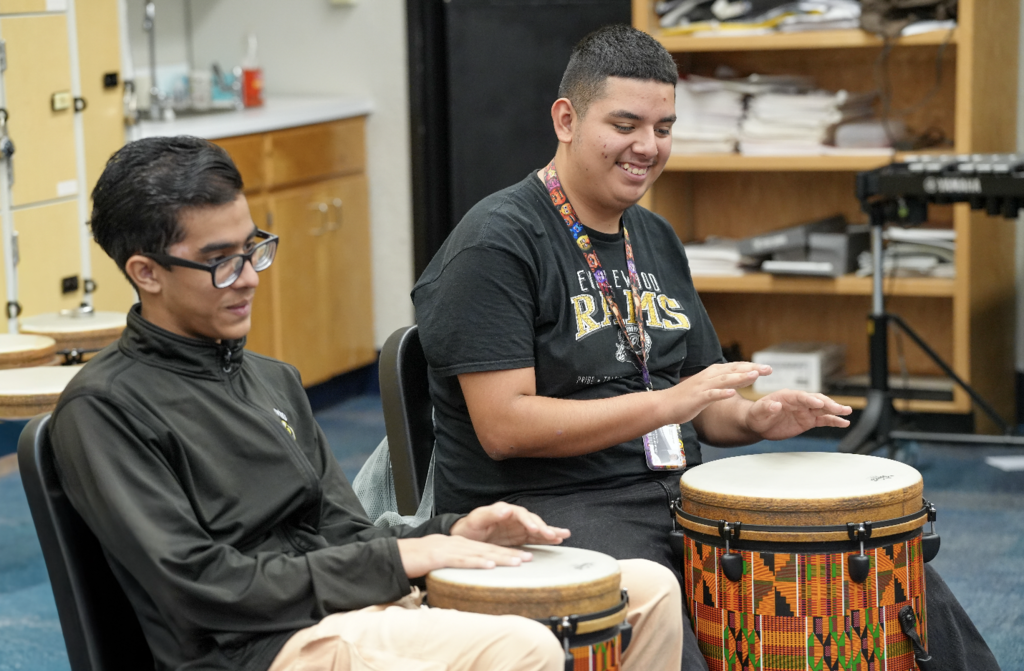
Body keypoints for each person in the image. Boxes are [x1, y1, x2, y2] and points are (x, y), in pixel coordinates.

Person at [412, 24, 1001, 671]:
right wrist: (669, 403)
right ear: (566, 119)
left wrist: (753, 415)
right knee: (677, 623)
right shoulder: (497, 242)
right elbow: (505, 425)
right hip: (549, 511)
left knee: (884, 572)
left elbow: (705, 401)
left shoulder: (654, 236)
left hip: (675, 494)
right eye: (626, 124)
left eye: (663, 128)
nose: (647, 146)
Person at [47, 136, 683, 671]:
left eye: (252, 248)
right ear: (146, 272)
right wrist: (399, 559)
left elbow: (345, 533)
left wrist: (449, 531)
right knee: (519, 649)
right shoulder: (106, 408)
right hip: (252, 648)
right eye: (218, 262)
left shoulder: (272, 380)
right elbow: (202, 589)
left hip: (345, 608)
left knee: (646, 591)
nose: (248, 277)